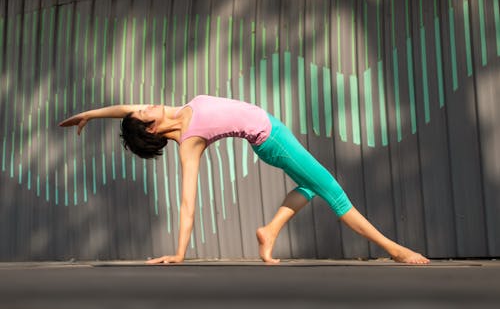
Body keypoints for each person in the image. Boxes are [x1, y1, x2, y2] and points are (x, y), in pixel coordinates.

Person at [59, 95, 430, 265]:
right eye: (143, 111)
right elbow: (188, 201)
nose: (143, 105)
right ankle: (394, 249)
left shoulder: (173, 111)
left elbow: (123, 110)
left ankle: (270, 231)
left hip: (274, 131)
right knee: (333, 192)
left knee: (313, 187)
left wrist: (88, 115)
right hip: (273, 141)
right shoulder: (189, 143)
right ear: (152, 127)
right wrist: (179, 253)